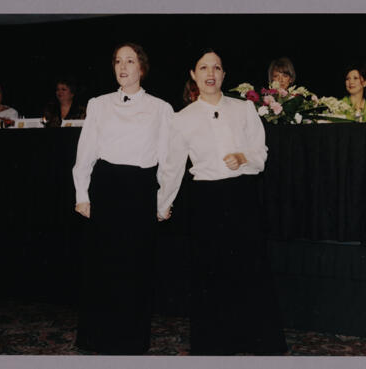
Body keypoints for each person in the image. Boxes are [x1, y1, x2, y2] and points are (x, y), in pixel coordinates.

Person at [157, 48, 288, 355]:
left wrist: (243, 157)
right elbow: (173, 166)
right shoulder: (182, 118)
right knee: (210, 276)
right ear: (194, 75)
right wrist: (162, 204)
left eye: (216, 68)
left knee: (250, 271)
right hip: (206, 202)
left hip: (241, 198)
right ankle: (215, 345)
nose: (210, 74)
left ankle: (257, 342)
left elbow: (261, 153)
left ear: (224, 74)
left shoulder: (243, 109)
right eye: (203, 68)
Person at [72, 42, 173, 355]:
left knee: (136, 269)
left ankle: (130, 341)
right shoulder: (98, 104)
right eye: (118, 61)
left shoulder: (161, 108)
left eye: (130, 61)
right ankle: (96, 338)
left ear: (142, 68)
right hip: (106, 188)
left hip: (141, 191)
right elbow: (86, 151)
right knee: (102, 267)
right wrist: (82, 193)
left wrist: (164, 201)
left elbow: (169, 160)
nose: (123, 67)